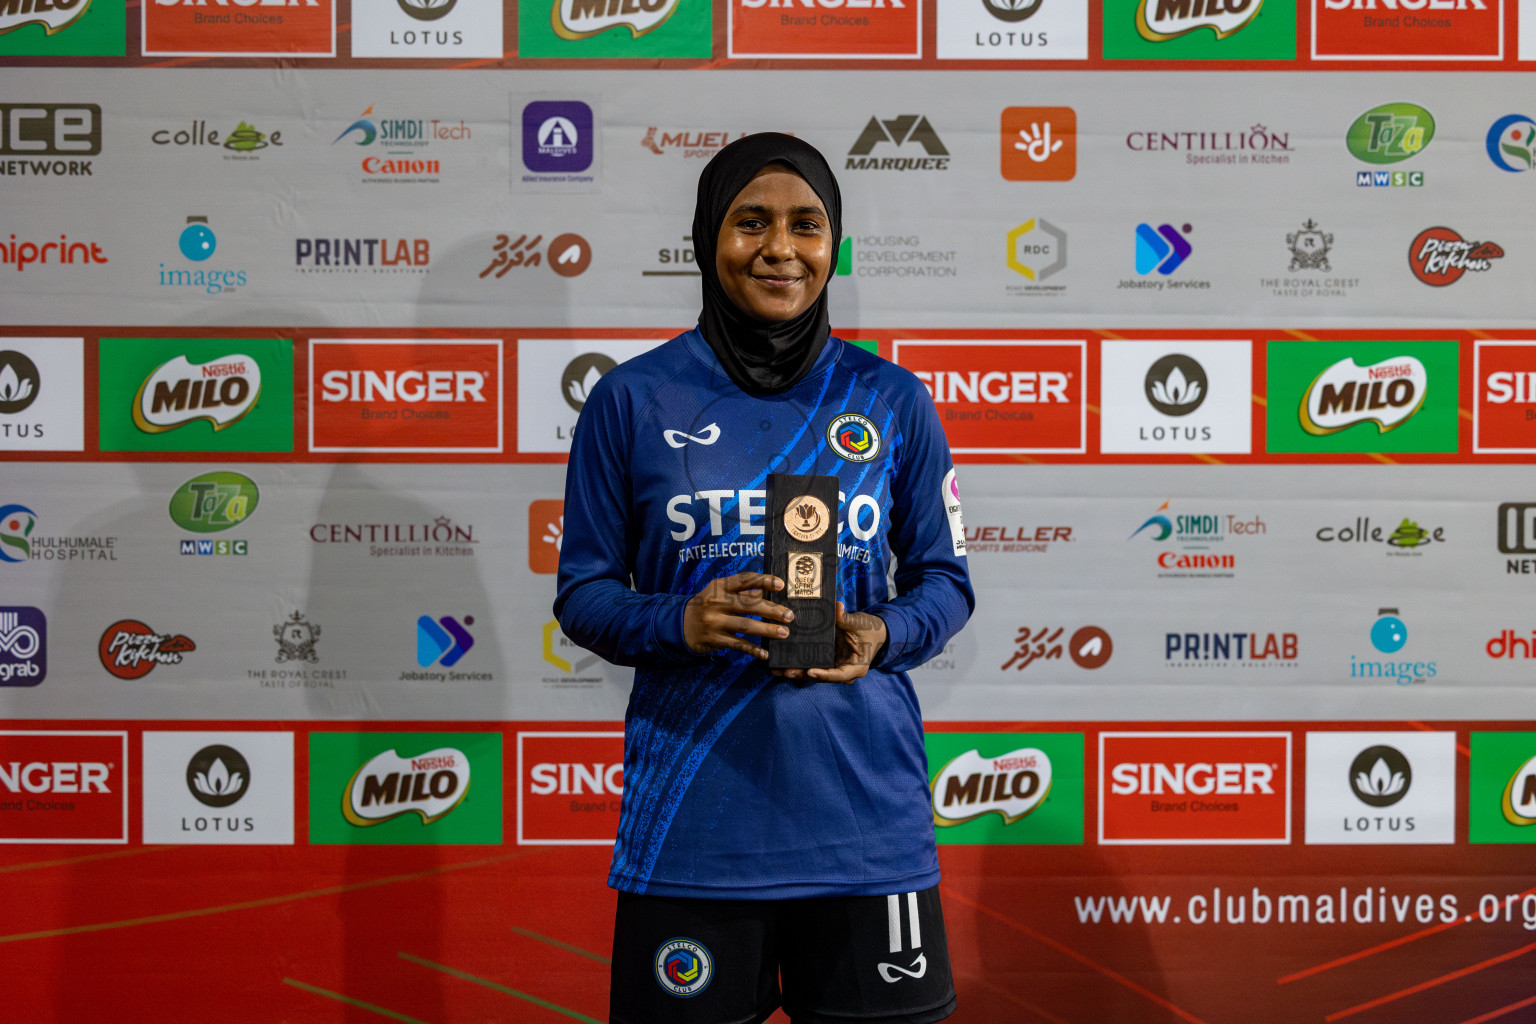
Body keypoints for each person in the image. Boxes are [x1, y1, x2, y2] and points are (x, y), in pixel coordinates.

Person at [555, 132, 974, 1024]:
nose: (781, 248)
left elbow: (947, 579)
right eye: (751, 222)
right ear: (708, 236)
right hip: (694, 834)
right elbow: (583, 593)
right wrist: (681, 622)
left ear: (833, 245)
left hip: (867, 834)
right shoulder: (631, 399)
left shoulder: (890, 398)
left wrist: (884, 633)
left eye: (806, 225)